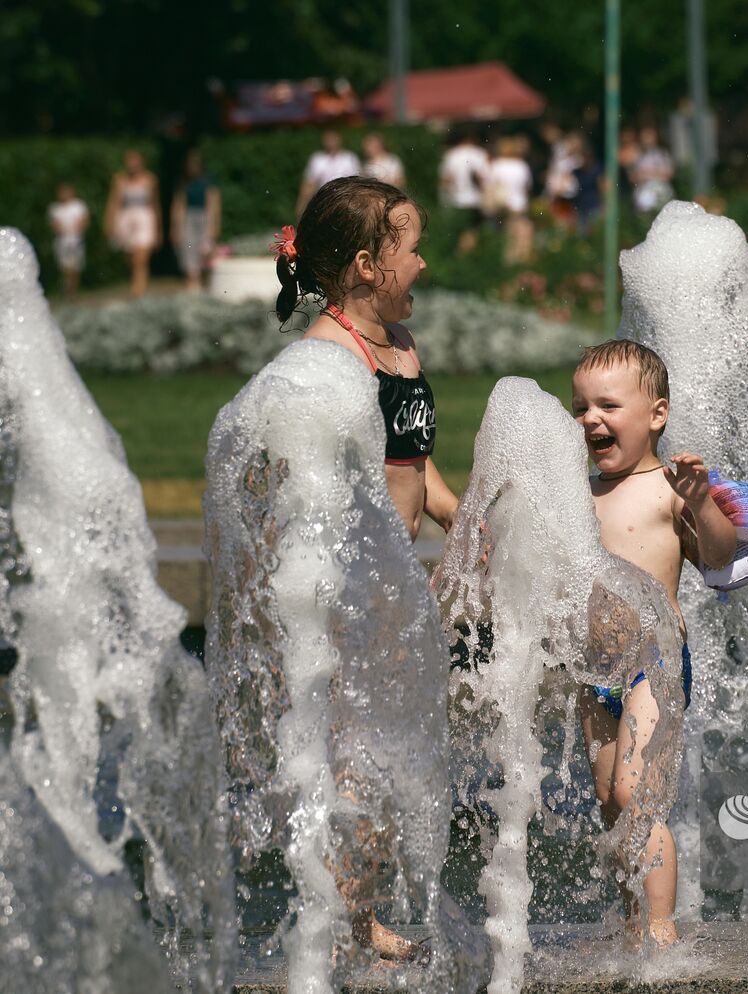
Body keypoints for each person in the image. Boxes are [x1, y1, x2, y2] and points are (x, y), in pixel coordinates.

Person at [271, 177, 456, 960]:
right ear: (365, 266)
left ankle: (356, 920)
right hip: (350, 596)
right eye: (409, 249)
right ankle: (342, 932)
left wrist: (473, 520)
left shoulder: (400, 348)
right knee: (357, 762)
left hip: (397, 591)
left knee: (385, 756)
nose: (422, 262)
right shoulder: (327, 359)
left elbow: (419, 469)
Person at [570, 340, 736, 948]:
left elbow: (719, 559)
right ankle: (632, 922)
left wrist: (701, 503)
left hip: (653, 665)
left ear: (656, 415)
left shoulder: (670, 490)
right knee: (610, 805)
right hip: (594, 669)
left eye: (608, 405)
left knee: (636, 794)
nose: (591, 419)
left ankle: (662, 923)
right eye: (581, 406)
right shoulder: (578, 493)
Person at [104, 149, 160, 298]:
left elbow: (155, 203)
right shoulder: (119, 180)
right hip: (126, 219)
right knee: (130, 257)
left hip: (145, 219)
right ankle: (136, 285)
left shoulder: (150, 179)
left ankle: (138, 290)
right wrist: (109, 222)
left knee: (141, 258)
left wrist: (158, 228)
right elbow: (114, 202)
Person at [170, 149, 221, 291]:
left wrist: (213, 226)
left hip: (205, 218)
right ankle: (192, 284)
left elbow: (214, 204)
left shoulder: (208, 182)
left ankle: (205, 285)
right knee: (188, 251)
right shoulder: (183, 183)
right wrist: (176, 228)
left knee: (205, 251)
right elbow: (179, 206)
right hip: (188, 219)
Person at [438, 126, 491, 254]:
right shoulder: (480, 153)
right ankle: (471, 256)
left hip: (457, 200)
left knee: (459, 233)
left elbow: (445, 181)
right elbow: (485, 179)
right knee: (474, 232)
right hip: (476, 200)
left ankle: (462, 256)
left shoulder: (451, 155)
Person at [484, 135, 534, 264]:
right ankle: (520, 265)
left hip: (503, 206)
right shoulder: (521, 165)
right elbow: (527, 187)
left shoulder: (497, 165)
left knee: (507, 239)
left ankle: (508, 266)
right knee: (521, 238)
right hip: (519, 205)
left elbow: (489, 185)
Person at [296, 130, 361, 216]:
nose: (330, 142)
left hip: (346, 199)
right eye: (328, 139)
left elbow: (357, 182)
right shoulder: (317, 158)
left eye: (333, 139)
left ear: (340, 140)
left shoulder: (349, 158)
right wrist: (302, 204)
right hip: (323, 200)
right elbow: (309, 183)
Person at [48, 182, 89, 299]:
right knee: (66, 267)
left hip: (76, 240)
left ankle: (72, 290)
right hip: (62, 241)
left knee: (75, 266)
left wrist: (77, 229)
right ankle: (68, 289)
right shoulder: (55, 208)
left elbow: (84, 221)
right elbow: (54, 224)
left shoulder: (78, 205)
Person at [629, 127, 674, 213]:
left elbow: (668, 175)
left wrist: (646, 174)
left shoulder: (662, 154)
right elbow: (633, 177)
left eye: (649, 136)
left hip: (660, 189)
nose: (647, 140)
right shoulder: (637, 155)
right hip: (643, 190)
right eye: (645, 136)